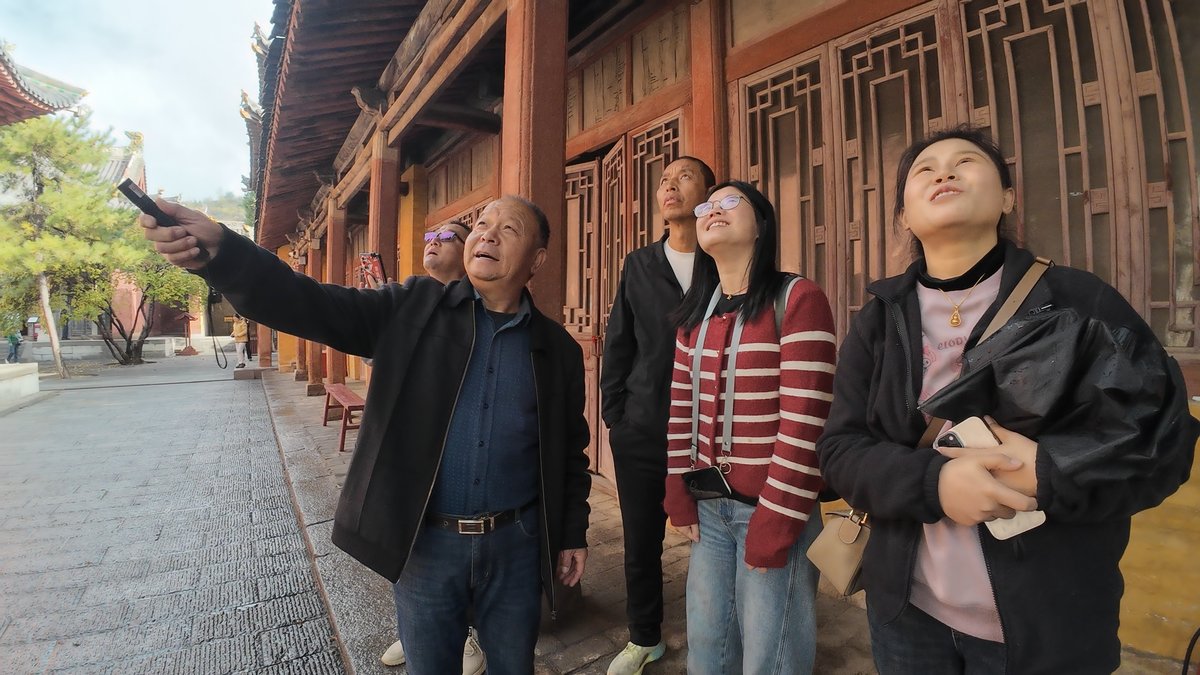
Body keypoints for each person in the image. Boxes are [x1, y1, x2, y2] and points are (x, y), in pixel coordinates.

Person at [141, 195, 592, 675]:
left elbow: (569, 452)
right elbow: (308, 302)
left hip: (516, 545)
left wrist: (571, 533)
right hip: (426, 542)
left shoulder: (555, 349)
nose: (488, 234)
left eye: (510, 229)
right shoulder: (413, 308)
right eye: (482, 223)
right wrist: (224, 251)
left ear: (537, 260)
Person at [816, 126, 1198, 674]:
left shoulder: (1076, 302)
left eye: (965, 162)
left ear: (1007, 198)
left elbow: (1162, 444)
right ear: (903, 214)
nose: (943, 172)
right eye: (924, 169)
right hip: (906, 614)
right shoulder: (879, 318)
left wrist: (1048, 469)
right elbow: (840, 451)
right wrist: (936, 484)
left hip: (1049, 624)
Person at [663, 180, 836, 674]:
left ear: (760, 224)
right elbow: (680, 411)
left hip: (773, 508)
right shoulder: (694, 316)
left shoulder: (796, 297)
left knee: (770, 656)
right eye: (706, 206)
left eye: (730, 202)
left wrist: (776, 520)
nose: (714, 210)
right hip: (710, 510)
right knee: (707, 645)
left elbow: (806, 421)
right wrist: (678, 491)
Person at [601, 156, 714, 674]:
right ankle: (645, 636)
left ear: (709, 191)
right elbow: (618, 342)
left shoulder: (725, 261)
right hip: (644, 428)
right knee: (640, 539)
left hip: (713, 431)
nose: (669, 185)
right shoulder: (639, 264)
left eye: (683, 177)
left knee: (715, 537)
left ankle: (716, 633)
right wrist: (615, 416)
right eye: (664, 180)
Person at [380, 216, 484, 674]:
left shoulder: (485, 308)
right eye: (430, 236)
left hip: (465, 447)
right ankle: (416, 627)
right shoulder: (409, 300)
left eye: (448, 237)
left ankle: (470, 636)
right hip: (415, 447)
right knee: (411, 543)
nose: (435, 242)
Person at [421, 218, 471, 285]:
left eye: (446, 236)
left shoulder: (484, 294)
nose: (433, 241)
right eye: (430, 237)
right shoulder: (411, 291)